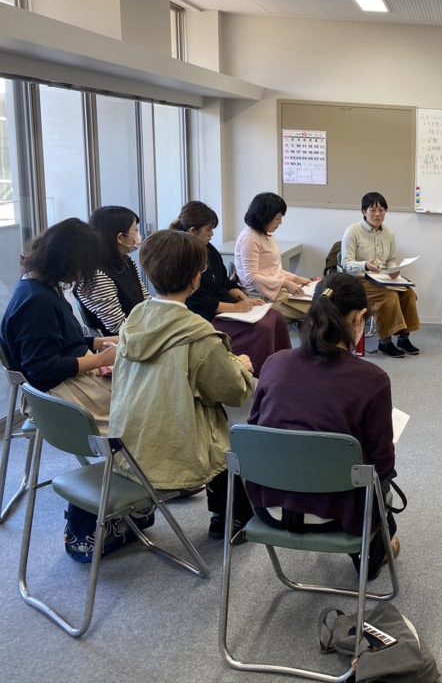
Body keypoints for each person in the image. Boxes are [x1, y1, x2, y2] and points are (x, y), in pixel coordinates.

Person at [246, 273, 399, 580]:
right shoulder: (372, 379)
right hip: (339, 515)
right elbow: (383, 464)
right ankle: (374, 547)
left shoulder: (274, 363)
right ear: (358, 318)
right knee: (377, 478)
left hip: (269, 507)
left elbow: (254, 432)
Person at [108, 230, 256, 540]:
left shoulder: (136, 318)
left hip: (126, 445)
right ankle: (230, 517)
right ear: (195, 278)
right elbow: (233, 391)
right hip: (176, 451)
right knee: (223, 428)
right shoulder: (198, 335)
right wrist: (239, 366)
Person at [0, 218, 116, 428]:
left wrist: (99, 343)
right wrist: (101, 360)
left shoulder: (37, 286)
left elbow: (61, 342)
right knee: (146, 403)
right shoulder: (37, 302)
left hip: (70, 380)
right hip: (62, 391)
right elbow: (43, 368)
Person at [170, 201, 291, 376]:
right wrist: (235, 307)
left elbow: (224, 280)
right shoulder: (184, 258)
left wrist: (238, 294)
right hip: (207, 316)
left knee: (274, 316)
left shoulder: (209, 250)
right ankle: (261, 376)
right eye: (208, 230)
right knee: (262, 329)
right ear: (192, 231)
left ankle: (282, 369)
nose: (212, 234)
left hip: (225, 306)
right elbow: (197, 301)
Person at [340, 191, 421, 358]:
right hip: (359, 281)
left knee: (409, 294)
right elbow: (346, 263)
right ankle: (385, 342)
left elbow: (391, 260)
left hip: (383, 279)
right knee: (389, 296)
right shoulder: (352, 231)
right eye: (373, 210)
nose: (378, 214)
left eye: (382, 210)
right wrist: (365, 265)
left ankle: (403, 338)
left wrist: (394, 270)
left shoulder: (389, 233)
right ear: (364, 211)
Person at [234, 192, 313, 322]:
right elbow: (251, 277)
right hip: (262, 296)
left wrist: (295, 278)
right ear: (265, 216)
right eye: (278, 218)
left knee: (320, 304)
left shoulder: (265, 234)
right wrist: (285, 283)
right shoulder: (249, 238)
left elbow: (272, 269)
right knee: (318, 311)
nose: (280, 222)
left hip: (275, 291)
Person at [73, 206, 149, 335]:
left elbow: (146, 299)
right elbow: (118, 326)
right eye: (135, 230)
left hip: (140, 332)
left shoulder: (125, 261)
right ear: (120, 238)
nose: (138, 235)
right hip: (122, 341)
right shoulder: (96, 275)